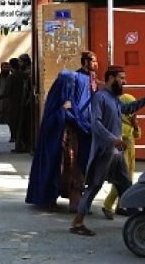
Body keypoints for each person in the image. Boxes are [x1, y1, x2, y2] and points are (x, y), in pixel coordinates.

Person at [70, 66, 145, 236]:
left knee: (126, 185)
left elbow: (129, 108)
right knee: (94, 186)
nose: (124, 82)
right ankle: (77, 222)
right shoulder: (100, 98)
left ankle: (140, 222)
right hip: (104, 152)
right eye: (121, 78)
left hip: (116, 153)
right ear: (111, 79)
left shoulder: (114, 99)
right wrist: (112, 138)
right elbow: (96, 124)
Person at [26, 71, 88, 208]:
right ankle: (48, 199)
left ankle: (76, 204)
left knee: (73, 172)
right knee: (54, 171)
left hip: (71, 145)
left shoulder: (71, 100)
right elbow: (50, 122)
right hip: (55, 145)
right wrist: (62, 111)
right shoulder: (55, 101)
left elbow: (77, 117)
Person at [60, 52, 99, 212]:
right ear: (85, 61)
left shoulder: (93, 79)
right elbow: (68, 103)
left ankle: (81, 202)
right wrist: (76, 121)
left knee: (86, 164)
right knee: (75, 163)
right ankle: (74, 203)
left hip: (90, 128)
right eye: (94, 61)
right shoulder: (74, 78)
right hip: (76, 129)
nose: (96, 64)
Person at [101, 93, 140, 219]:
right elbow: (130, 135)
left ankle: (120, 206)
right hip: (120, 157)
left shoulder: (126, 122)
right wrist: (134, 123)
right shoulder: (120, 124)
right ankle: (107, 205)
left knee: (127, 179)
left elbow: (138, 135)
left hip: (130, 155)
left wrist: (134, 124)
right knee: (123, 181)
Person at [14, 54, 34, 153]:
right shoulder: (23, 71)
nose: (19, 64)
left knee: (26, 126)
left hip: (29, 103)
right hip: (23, 102)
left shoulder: (29, 71)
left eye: (20, 62)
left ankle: (27, 146)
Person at [6, 58, 24, 147]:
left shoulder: (12, 77)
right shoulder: (22, 75)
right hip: (21, 102)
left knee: (13, 122)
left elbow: (8, 91)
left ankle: (17, 141)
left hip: (13, 103)